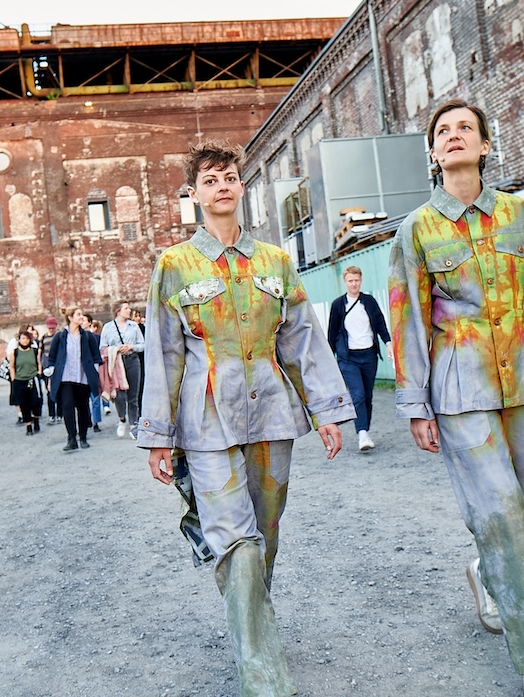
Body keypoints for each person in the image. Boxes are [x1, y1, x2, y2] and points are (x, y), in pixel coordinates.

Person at [389, 98, 524, 697]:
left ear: (483, 146)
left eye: (465, 130)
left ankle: (488, 569)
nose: (454, 137)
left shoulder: (522, 217)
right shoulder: (417, 230)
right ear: (433, 153)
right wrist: (414, 403)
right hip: (459, 387)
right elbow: (408, 322)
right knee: (503, 513)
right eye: (443, 131)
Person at [138, 141, 354, 696]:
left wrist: (326, 410)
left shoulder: (276, 262)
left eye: (230, 177)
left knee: (265, 538)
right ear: (195, 195)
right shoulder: (174, 265)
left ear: (242, 187)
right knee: (236, 543)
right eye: (210, 180)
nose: (222, 186)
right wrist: (158, 436)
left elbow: (301, 339)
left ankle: (253, 626)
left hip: (271, 418)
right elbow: (163, 354)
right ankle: (264, 677)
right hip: (205, 422)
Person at [326, 266, 392, 451]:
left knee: (368, 396)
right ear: (345, 282)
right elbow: (332, 332)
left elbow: (380, 323)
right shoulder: (338, 305)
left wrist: (388, 343)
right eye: (350, 281)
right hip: (349, 359)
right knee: (358, 394)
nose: (354, 284)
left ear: (360, 281)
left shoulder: (369, 302)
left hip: (369, 355)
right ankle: (362, 433)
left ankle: (365, 430)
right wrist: (329, 359)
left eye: (356, 280)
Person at [46, 307, 100, 452]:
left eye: (82, 314)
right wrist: (51, 377)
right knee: (67, 407)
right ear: (70, 317)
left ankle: (83, 436)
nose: (81, 317)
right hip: (65, 378)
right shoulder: (60, 336)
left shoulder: (87, 336)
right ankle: (71, 438)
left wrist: (94, 373)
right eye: (78, 314)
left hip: (82, 377)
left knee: (83, 407)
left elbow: (96, 357)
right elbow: (51, 358)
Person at [100, 300, 145, 439]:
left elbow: (143, 344)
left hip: (132, 361)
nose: (129, 310)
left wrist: (132, 347)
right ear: (118, 311)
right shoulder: (108, 327)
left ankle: (133, 425)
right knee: (119, 395)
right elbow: (102, 347)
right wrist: (116, 349)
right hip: (116, 363)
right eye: (126, 308)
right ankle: (122, 419)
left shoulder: (134, 326)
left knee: (133, 395)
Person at [9, 331, 42, 435]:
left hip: (32, 378)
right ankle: (28, 425)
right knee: (24, 403)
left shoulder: (35, 351)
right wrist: (13, 379)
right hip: (20, 380)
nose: (25, 340)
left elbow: (38, 363)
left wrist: (39, 373)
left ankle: (36, 420)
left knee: (36, 402)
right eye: (23, 338)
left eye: (27, 338)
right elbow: (12, 366)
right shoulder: (15, 352)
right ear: (19, 340)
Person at [40, 316, 60, 424]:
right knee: (49, 391)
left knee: (59, 391)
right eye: (49, 328)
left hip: (58, 366)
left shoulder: (60, 336)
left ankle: (60, 413)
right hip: (47, 367)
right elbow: (41, 352)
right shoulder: (44, 338)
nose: (51, 329)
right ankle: (52, 414)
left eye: (53, 327)